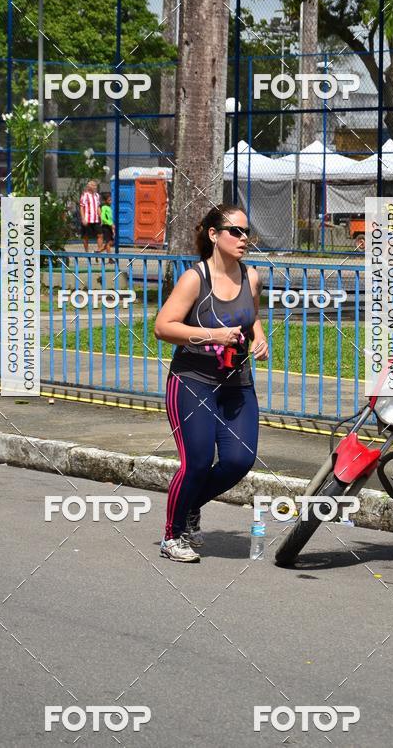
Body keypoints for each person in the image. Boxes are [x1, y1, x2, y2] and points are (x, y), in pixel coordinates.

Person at [154, 204, 269, 563]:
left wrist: (259, 337)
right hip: (193, 381)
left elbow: (251, 315)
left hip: (237, 383)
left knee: (239, 460)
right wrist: (213, 335)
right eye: (236, 231)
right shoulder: (195, 279)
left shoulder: (251, 277)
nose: (244, 238)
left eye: (247, 232)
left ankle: (190, 503)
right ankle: (172, 535)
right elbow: (163, 327)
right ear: (214, 235)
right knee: (198, 462)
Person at [79, 180, 103, 254]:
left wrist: (101, 217)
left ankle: (99, 251)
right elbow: (81, 207)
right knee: (86, 236)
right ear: (89, 186)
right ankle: (87, 252)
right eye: (93, 185)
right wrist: (83, 218)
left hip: (95, 219)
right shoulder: (85, 195)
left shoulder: (97, 195)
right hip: (87, 219)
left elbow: (98, 207)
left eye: (95, 185)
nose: (95, 187)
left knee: (100, 235)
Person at [99, 192, 115, 265]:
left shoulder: (109, 207)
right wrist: (110, 224)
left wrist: (112, 224)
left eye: (111, 200)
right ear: (105, 201)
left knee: (111, 242)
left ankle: (98, 251)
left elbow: (109, 218)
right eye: (109, 200)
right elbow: (103, 218)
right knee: (108, 242)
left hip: (110, 226)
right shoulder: (104, 207)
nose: (110, 201)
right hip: (106, 226)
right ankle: (110, 259)